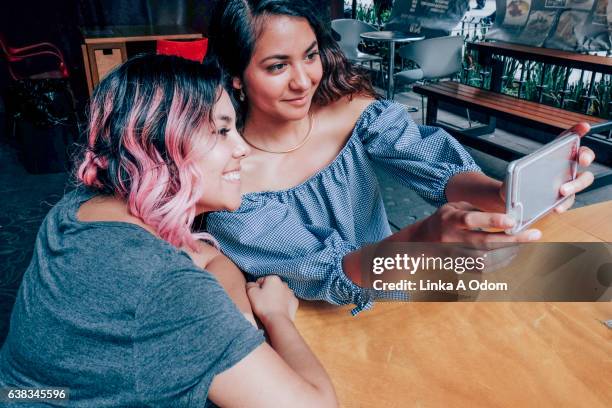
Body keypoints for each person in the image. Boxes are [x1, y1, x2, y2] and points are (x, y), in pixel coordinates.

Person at [206, 0, 596, 314]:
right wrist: (422, 239)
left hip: (406, 286)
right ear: (236, 76)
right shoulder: (231, 182)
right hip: (322, 323)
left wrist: (505, 192)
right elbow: (324, 273)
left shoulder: (351, 110)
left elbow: (433, 167)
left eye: (309, 56)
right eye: (277, 66)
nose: (304, 80)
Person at [0, 55, 337, 408]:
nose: (242, 148)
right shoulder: (164, 288)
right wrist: (276, 315)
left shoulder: (81, 207)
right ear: (159, 143)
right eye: (222, 131)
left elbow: (208, 256)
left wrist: (234, 321)